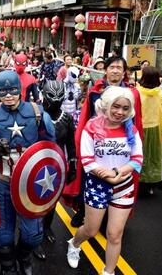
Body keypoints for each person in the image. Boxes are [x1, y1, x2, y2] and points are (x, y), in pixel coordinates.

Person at [0, 70, 55, 275]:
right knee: (4, 233)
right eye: (3, 91)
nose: (9, 95)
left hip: (33, 184)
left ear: (20, 89)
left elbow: (50, 148)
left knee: (33, 235)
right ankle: (8, 267)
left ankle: (24, 257)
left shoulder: (38, 113)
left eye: (13, 90)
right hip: (3, 181)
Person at [66, 86, 143, 275]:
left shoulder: (131, 129)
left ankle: (109, 272)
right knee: (91, 230)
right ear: (107, 105)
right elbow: (87, 160)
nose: (120, 112)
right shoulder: (91, 127)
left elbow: (137, 159)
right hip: (97, 185)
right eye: (116, 106)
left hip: (124, 186)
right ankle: (75, 244)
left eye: (125, 108)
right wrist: (110, 176)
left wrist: (118, 172)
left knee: (115, 235)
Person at [67, 56, 143, 227]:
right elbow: (86, 117)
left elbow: (136, 120)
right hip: (96, 142)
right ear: (105, 70)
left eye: (119, 68)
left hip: (121, 142)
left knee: (121, 179)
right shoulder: (96, 91)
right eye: (112, 67)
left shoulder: (133, 94)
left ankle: (111, 216)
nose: (115, 70)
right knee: (89, 176)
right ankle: (84, 211)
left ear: (124, 72)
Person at [38, 81, 77, 255]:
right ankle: (33, 234)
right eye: (51, 98)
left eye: (58, 98)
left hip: (57, 165)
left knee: (52, 200)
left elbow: (71, 144)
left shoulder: (66, 118)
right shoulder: (36, 115)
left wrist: (73, 167)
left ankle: (46, 227)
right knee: (35, 201)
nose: (55, 102)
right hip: (37, 164)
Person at [137, 66, 162, 194]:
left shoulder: (137, 91)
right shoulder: (159, 92)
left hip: (140, 128)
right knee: (153, 157)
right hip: (155, 128)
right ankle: (151, 185)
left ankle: (138, 183)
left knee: (139, 156)